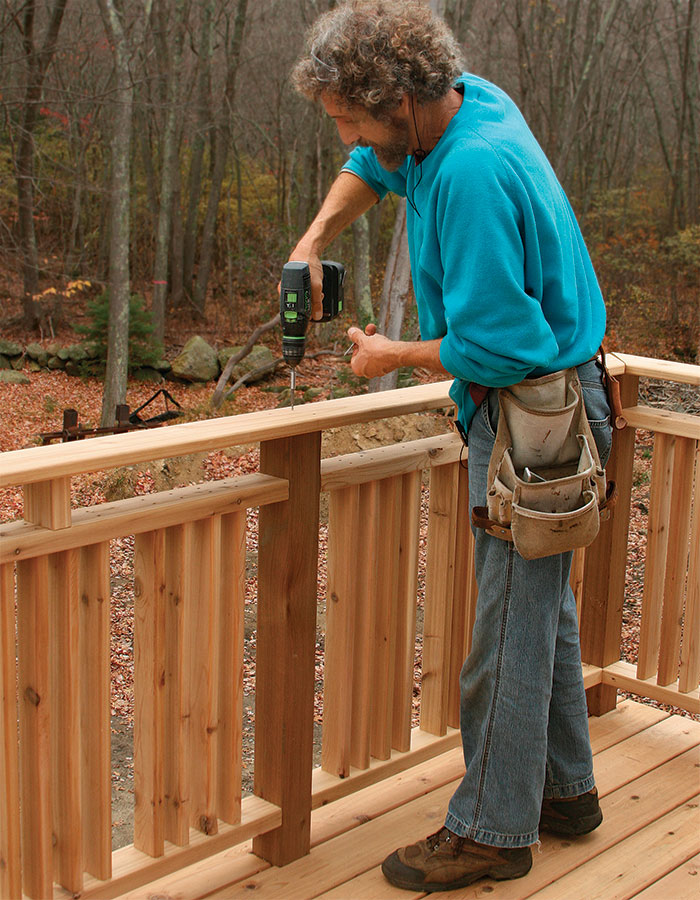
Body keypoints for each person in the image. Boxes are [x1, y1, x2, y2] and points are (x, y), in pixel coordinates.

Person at [290, 1, 613, 892]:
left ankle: (491, 832)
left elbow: (505, 347)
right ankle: (565, 793)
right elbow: (371, 166)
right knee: (537, 612)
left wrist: (392, 356)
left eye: (351, 118)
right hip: (547, 402)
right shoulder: (463, 105)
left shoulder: (469, 171)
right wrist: (313, 240)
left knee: (505, 632)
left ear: (397, 98)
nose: (346, 137)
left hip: (530, 412)